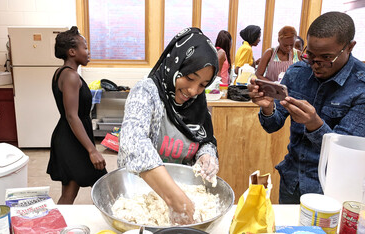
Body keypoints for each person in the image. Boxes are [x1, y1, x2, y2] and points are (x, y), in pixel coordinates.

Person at [248, 11, 365, 204]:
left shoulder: (360, 87)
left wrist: (314, 124)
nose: (315, 65)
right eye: (310, 55)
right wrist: (268, 108)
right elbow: (272, 125)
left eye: (326, 58)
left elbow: (345, 154)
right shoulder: (297, 72)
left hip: (332, 188)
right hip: (292, 180)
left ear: (349, 47)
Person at [118, 27, 220, 224]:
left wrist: (207, 156)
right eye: (190, 78)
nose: (193, 90)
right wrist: (176, 200)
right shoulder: (146, 92)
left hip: (184, 190)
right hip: (141, 192)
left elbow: (205, 140)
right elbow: (133, 143)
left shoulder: (197, 103)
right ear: (175, 63)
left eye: (202, 85)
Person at [47, 26, 107, 204]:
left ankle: (58, 227)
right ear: (72, 51)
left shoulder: (64, 73)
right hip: (72, 140)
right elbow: (72, 116)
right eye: (85, 47)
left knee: (70, 191)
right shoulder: (71, 76)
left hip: (72, 136)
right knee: (104, 185)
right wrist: (92, 150)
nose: (88, 52)